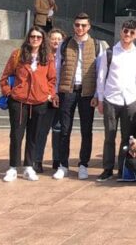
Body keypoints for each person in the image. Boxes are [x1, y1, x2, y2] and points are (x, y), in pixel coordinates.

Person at [0, 27, 56, 182]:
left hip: (39, 101)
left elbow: (52, 78)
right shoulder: (17, 55)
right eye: (33, 36)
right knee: (16, 135)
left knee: (34, 135)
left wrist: (48, 93)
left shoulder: (48, 57)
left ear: (43, 39)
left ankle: (29, 166)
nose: (35, 39)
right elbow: (5, 76)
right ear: (28, 38)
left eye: (39, 36)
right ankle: (12, 167)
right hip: (19, 101)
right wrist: (8, 92)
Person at [96, 19, 136, 182]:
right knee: (109, 136)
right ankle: (107, 168)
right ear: (121, 31)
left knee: (127, 137)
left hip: (131, 99)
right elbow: (101, 76)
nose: (128, 34)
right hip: (111, 98)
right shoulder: (110, 52)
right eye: (125, 31)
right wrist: (100, 98)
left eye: (131, 32)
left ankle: (123, 167)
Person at [54, 12, 105, 180]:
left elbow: (100, 73)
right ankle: (63, 165)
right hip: (67, 91)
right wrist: (55, 91)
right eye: (77, 25)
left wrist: (98, 94)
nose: (80, 28)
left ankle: (83, 164)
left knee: (86, 130)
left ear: (89, 26)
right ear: (73, 26)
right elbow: (57, 69)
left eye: (83, 25)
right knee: (64, 130)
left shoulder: (97, 45)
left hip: (87, 93)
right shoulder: (65, 43)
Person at [34, 28, 65, 173]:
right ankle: (37, 160)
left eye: (59, 39)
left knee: (58, 130)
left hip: (61, 97)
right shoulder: (43, 57)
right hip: (46, 98)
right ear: (48, 40)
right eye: (53, 38)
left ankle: (57, 160)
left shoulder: (65, 57)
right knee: (42, 130)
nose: (56, 41)